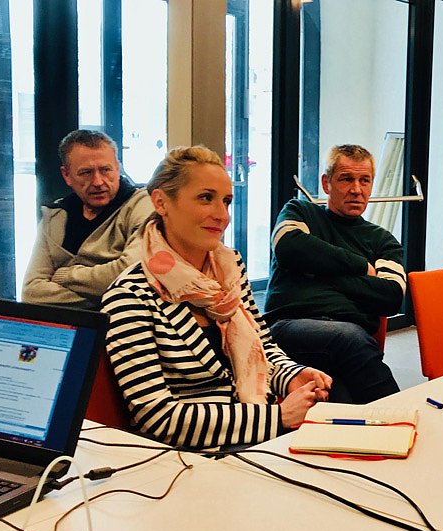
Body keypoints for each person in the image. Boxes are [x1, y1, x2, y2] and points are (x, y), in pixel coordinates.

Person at [102, 146, 330, 448]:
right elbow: (157, 418)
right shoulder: (130, 295)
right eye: (205, 198)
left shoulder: (229, 269)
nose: (222, 215)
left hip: (257, 439)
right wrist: (277, 417)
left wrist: (293, 376)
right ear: (161, 202)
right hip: (194, 457)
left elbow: (263, 349)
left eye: (226, 201)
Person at [263, 144, 403, 405]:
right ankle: (399, 413)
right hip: (290, 329)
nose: (356, 189)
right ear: (326, 183)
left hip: (350, 342)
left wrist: (316, 271)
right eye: (346, 179)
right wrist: (361, 266)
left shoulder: (383, 240)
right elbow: (289, 247)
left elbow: (392, 297)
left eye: (364, 180)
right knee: (348, 340)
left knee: (340, 398)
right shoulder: (299, 211)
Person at [23, 130, 154, 309]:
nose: (98, 182)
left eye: (105, 170)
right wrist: (107, 296)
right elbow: (31, 293)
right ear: (66, 175)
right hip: (65, 326)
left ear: (117, 168)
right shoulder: (54, 216)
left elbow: (133, 274)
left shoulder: (142, 205)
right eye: (86, 172)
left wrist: (66, 276)